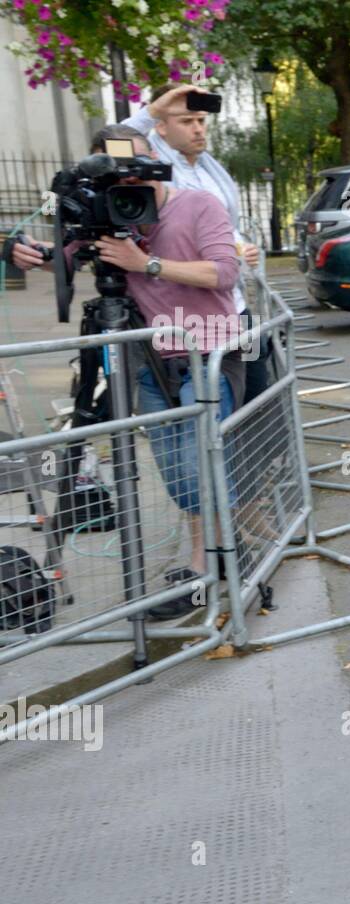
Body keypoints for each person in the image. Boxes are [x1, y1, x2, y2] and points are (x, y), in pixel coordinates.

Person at [9, 125, 243, 620]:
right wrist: (26, 252)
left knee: (198, 464)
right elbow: (66, 261)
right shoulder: (104, 217)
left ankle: (204, 570)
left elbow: (224, 272)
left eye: (135, 167)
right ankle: (217, 553)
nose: (126, 182)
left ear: (155, 160)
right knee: (177, 472)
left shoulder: (199, 205)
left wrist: (148, 263)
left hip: (207, 354)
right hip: (150, 362)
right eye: (113, 175)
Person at [123, 83, 276, 404]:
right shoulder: (152, 168)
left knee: (257, 384)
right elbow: (109, 144)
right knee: (219, 413)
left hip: (234, 301)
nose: (197, 129)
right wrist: (152, 110)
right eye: (186, 121)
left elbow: (222, 223)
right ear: (160, 127)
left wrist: (240, 245)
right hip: (191, 316)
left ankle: (260, 452)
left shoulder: (209, 169)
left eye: (201, 121)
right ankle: (232, 452)